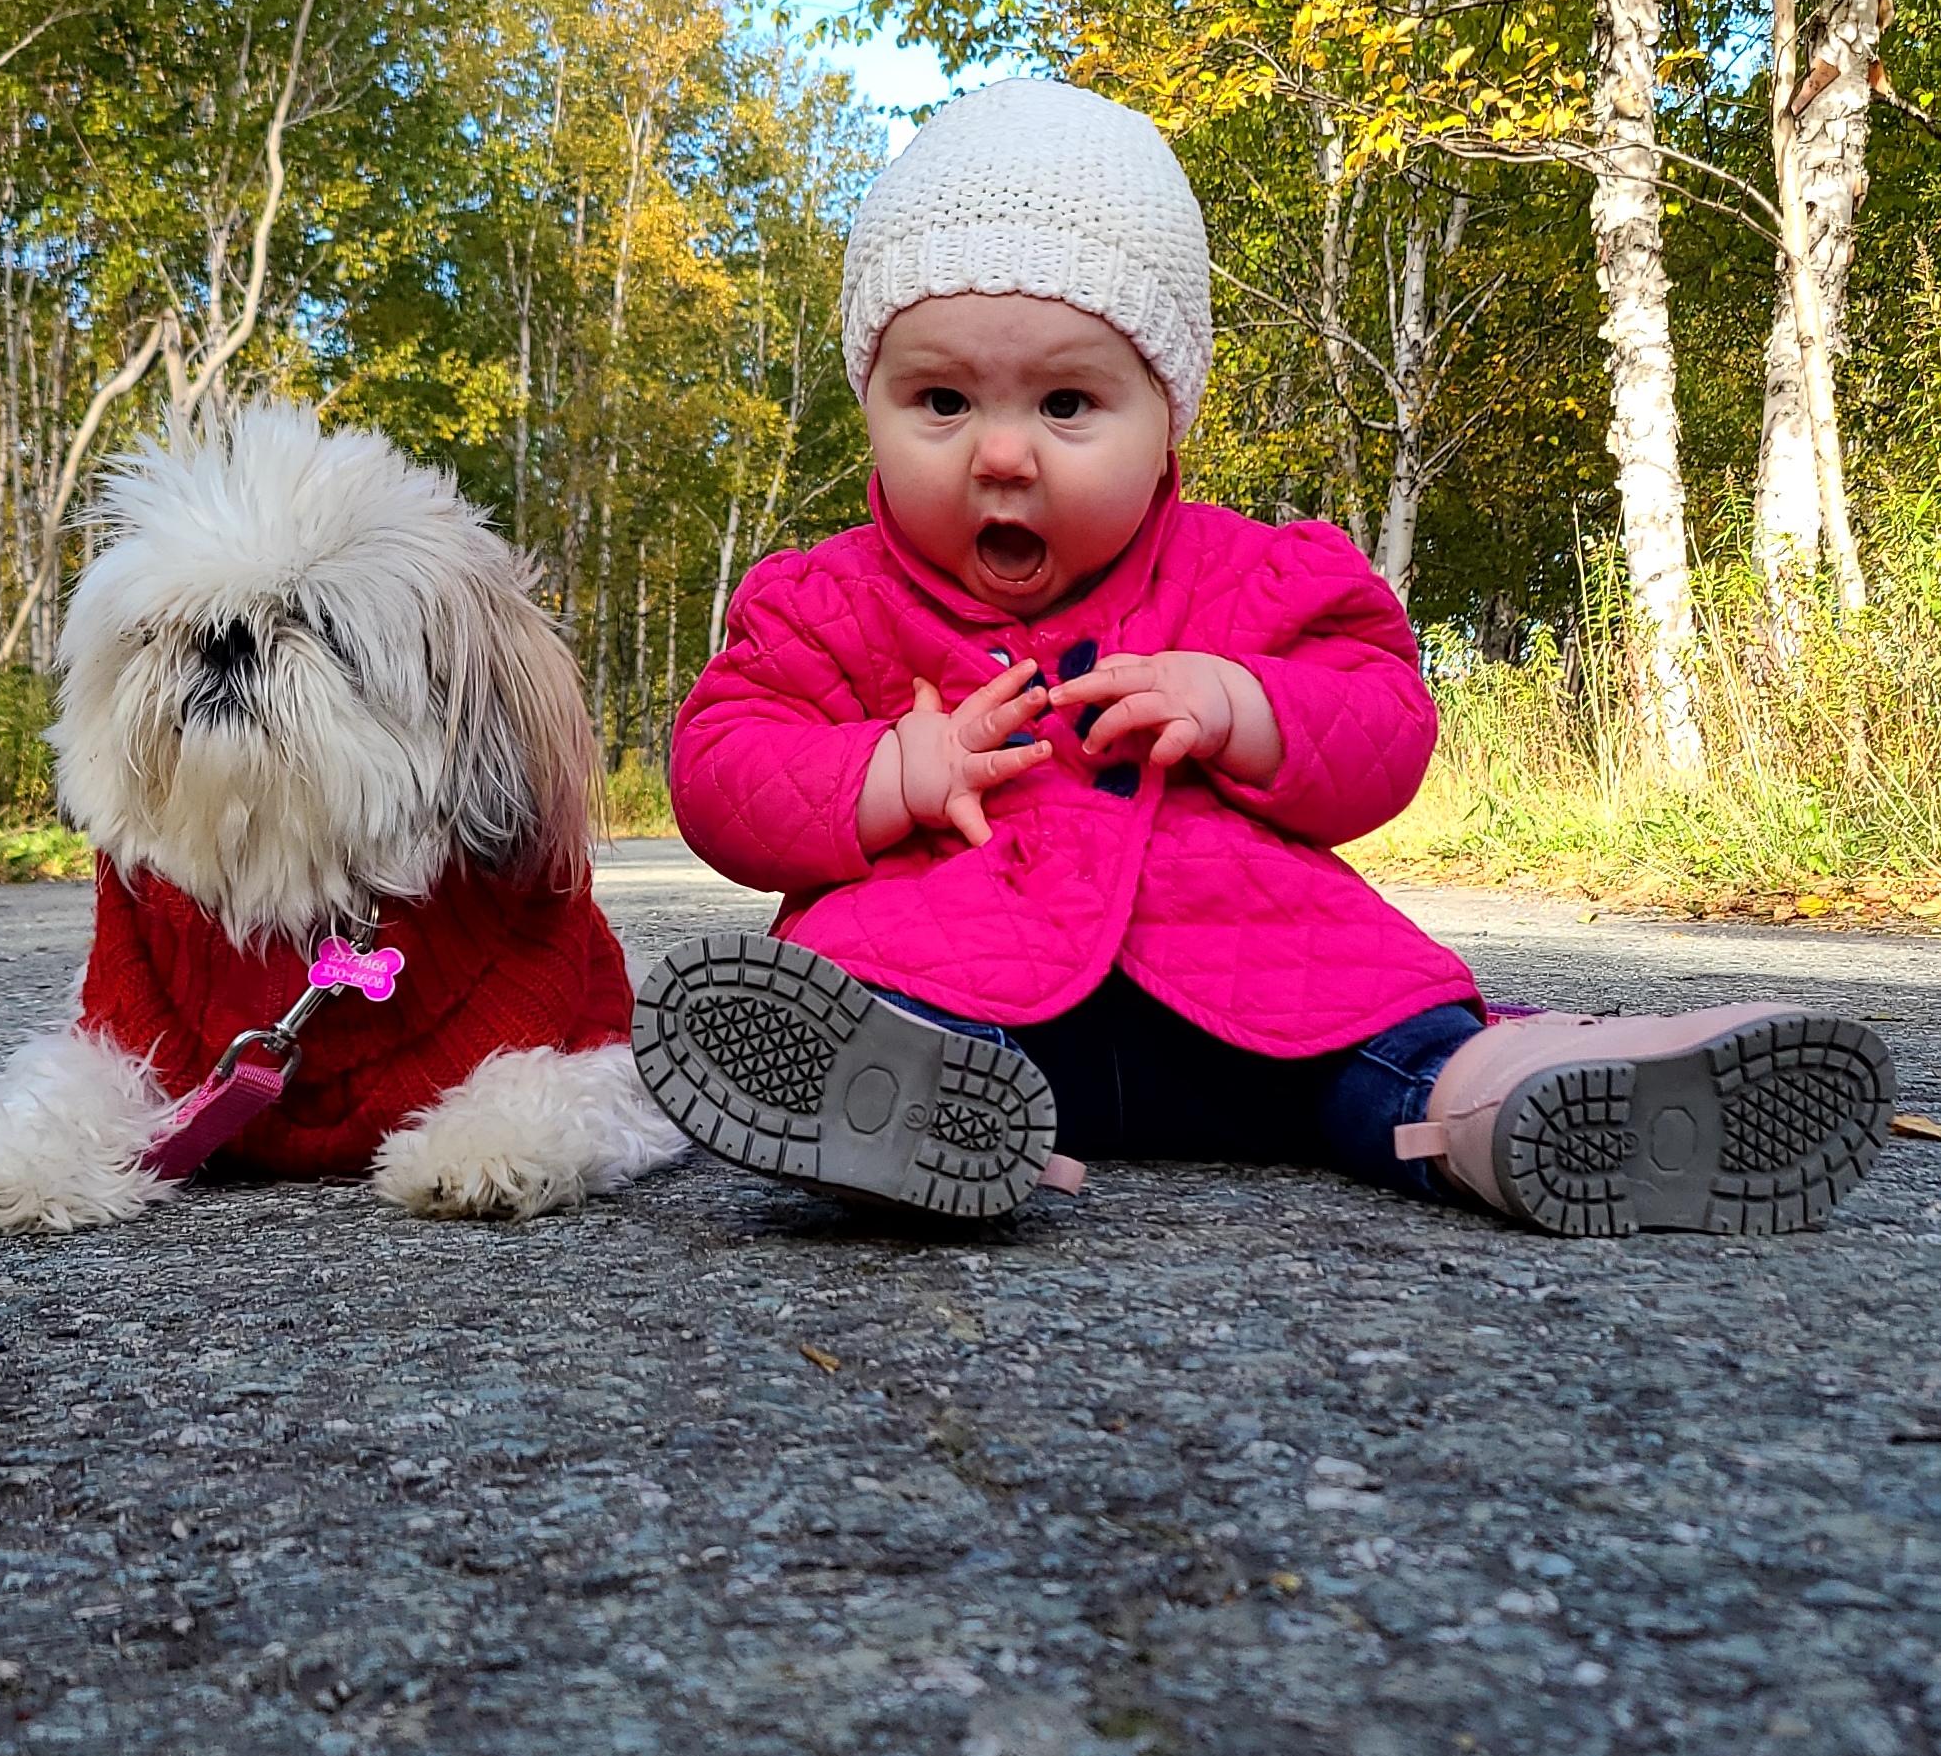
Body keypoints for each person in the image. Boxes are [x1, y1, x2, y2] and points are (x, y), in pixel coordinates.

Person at [634, 78, 1893, 1235]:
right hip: (958, 986)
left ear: (1165, 409)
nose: (1001, 455)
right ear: (873, 396)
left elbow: (1384, 723)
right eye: (942, 402)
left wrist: (1249, 705)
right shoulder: (825, 602)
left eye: (1067, 406)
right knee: (885, 1013)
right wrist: (884, 776)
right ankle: (899, 1121)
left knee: (1392, 1048)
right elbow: (723, 768)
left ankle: (1523, 1108)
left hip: (1251, 975)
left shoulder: (1252, 577)